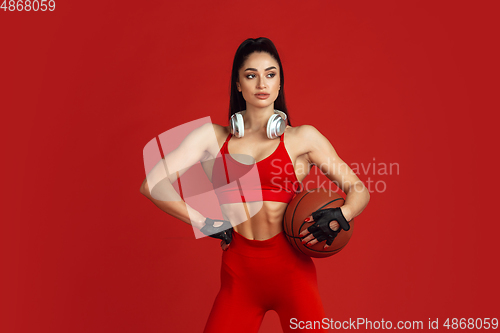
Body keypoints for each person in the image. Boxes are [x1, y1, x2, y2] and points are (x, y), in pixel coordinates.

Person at [140, 37, 370, 332]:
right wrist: (203, 220)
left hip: (293, 277)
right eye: (251, 75)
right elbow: (152, 184)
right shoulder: (212, 137)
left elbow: (359, 189)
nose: (262, 83)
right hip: (239, 277)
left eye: (270, 74)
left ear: (279, 83)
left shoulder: (302, 138)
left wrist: (343, 214)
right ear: (238, 84)